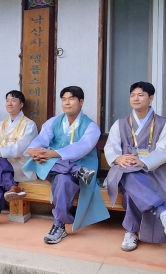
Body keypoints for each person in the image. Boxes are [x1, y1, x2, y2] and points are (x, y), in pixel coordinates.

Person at [23, 86, 109, 244]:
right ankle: (76, 171)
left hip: (77, 164)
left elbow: (80, 149)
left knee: (64, 180)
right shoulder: (53, 122)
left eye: (71, 98)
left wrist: (53, 154)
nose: (67, 102)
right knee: (37, 160)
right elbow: (40, 140)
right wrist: (32, 151)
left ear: (81, 101)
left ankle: (59, 225)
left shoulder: (91, 127)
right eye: (64, 99)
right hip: (52, 166)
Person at [104, 81, 166, 252]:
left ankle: (130, 231)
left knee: (132, 188)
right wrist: (119, 157)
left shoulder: (163, 123)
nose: (135, 98)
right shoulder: (121, 123)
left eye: (140, 95)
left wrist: (144, 162)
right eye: (133, 95)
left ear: (151, 98)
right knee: (129, 174)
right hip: (123, 166)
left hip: (153, 169)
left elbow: (163, 151)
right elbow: (111, 147)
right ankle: (162, 212)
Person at [0, 90, 38, 231]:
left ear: (21, 104)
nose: (10, 103)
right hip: (0, 163)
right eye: (7, 100)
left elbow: (22, 147)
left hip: (19, 164)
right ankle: (11, 186)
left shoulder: (29, 125)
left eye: (14, 100)